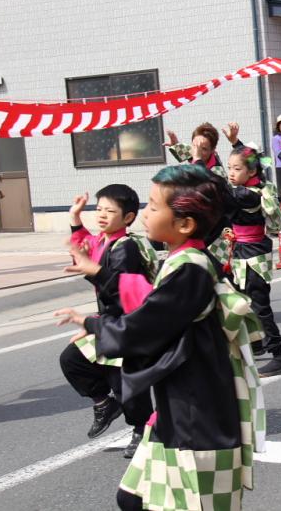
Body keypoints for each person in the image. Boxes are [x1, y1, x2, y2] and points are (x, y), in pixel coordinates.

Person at [56, 165, 264, 511]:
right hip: (178, 405)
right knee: (132, 498)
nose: (146, 214)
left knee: (191, 503)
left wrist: (95, 326)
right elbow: (150, 302)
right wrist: (97, 279)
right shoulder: (184, 260)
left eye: (153, 206)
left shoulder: (191, 268)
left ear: (185, 224)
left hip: (198, 413)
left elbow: (143, 326)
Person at [58, 185, 158, 458]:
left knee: (126, 383)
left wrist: (94, 320)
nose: (101, 215)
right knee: (73, 360)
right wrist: (74, 218)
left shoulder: (126, 247)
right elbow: (84, 249)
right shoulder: (104, 240)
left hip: (128, 322)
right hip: (109, 318)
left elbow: (123, 287)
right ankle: (105, 403)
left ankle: (143, 429)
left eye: (110, 211)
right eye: (98, 209)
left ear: (128, 218)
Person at [212, 146, 281, 377]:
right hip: (240, 252)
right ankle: (256, 345)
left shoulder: (248, 194)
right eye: (229, 168)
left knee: (260, 306)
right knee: (240, 301)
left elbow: (227, 194)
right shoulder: (247, 188)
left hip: (254, 254)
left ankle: (280, 356)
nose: (231, 172)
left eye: (236, 168)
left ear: (251, 171)